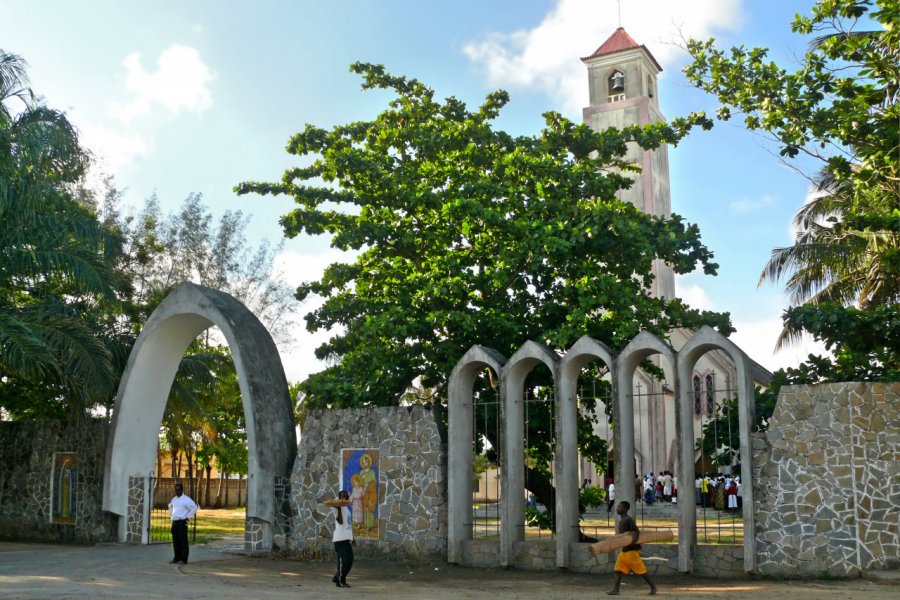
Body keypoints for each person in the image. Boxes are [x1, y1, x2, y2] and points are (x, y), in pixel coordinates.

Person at [607, 501, 656, 596]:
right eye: (617, 506)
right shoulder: (622, 520)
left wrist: (633, 541)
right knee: (617, 570)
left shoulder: (628, 519)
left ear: (625, 509)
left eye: (620, 506)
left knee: (642, 572)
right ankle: (616, 590)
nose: (617, 508)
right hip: (624, 551)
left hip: (631, 551)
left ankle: (653, 586)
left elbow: (636, 531)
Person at [168, 483, 197, 564]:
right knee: (175, 541)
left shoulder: (186, 499)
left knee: (183, 541)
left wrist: (188, 517)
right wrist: (171, 515)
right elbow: (170, 506)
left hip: (182, 522)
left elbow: (194, 507)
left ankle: (183, 559)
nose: (177, 492)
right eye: (176, 490)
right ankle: (176, 558)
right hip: (174, 522)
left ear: (181, 490)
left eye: (178, 490)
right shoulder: (174, 499)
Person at [332, 490, 354, 588]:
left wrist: (353, 538)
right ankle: (340, 581)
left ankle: (339, 577)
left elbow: (348, 525)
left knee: (350, 561)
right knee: (343, 561)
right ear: (340, 498)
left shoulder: (347, 509)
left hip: (347, 539)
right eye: (343, 497)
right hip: (339, 540)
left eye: (347, 496)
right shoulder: (337, 508)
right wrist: (339, 502)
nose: (346, 498)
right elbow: (340, 521)